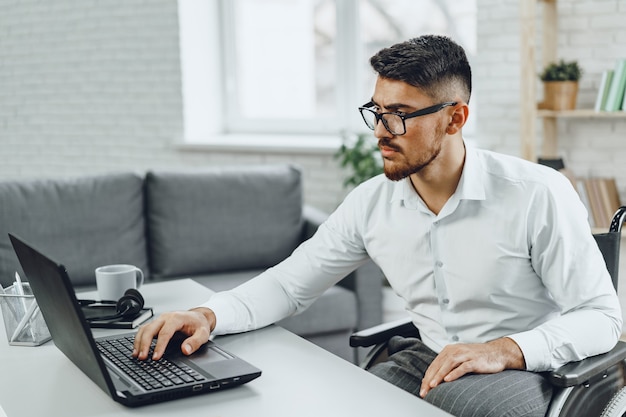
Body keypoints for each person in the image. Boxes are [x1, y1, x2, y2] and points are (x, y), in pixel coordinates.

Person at [133, 35, 622, 417]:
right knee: (351, 401)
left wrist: (504, 349)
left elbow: (602, 317)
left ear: (455, 118)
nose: (380, 133)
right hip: (430, 356)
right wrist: (208, 315)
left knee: (458, 405)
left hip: (529, 367)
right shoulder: (371, 203)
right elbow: (289, 284)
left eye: (401, 116)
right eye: (377, 112)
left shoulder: (536, 192)